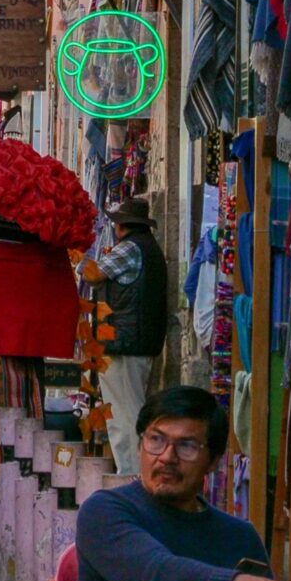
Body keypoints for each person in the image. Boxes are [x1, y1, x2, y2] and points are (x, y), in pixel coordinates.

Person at [75, 385, 291, 581]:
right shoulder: (103, 513)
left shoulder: (240, 538)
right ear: (139, 446)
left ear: (213, 460)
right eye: (156, 439)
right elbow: (156, 574)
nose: (167, 457)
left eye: (187, 445)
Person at [98, 200, 172, 476]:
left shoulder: (130, 248)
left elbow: (95, 274)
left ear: (121, 225)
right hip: (140, 340)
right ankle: (137, 472)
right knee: (132, 409)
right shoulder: (150, 248)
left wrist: (80, 258)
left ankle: (131, 475)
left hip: (125, 342)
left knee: (123, 415)